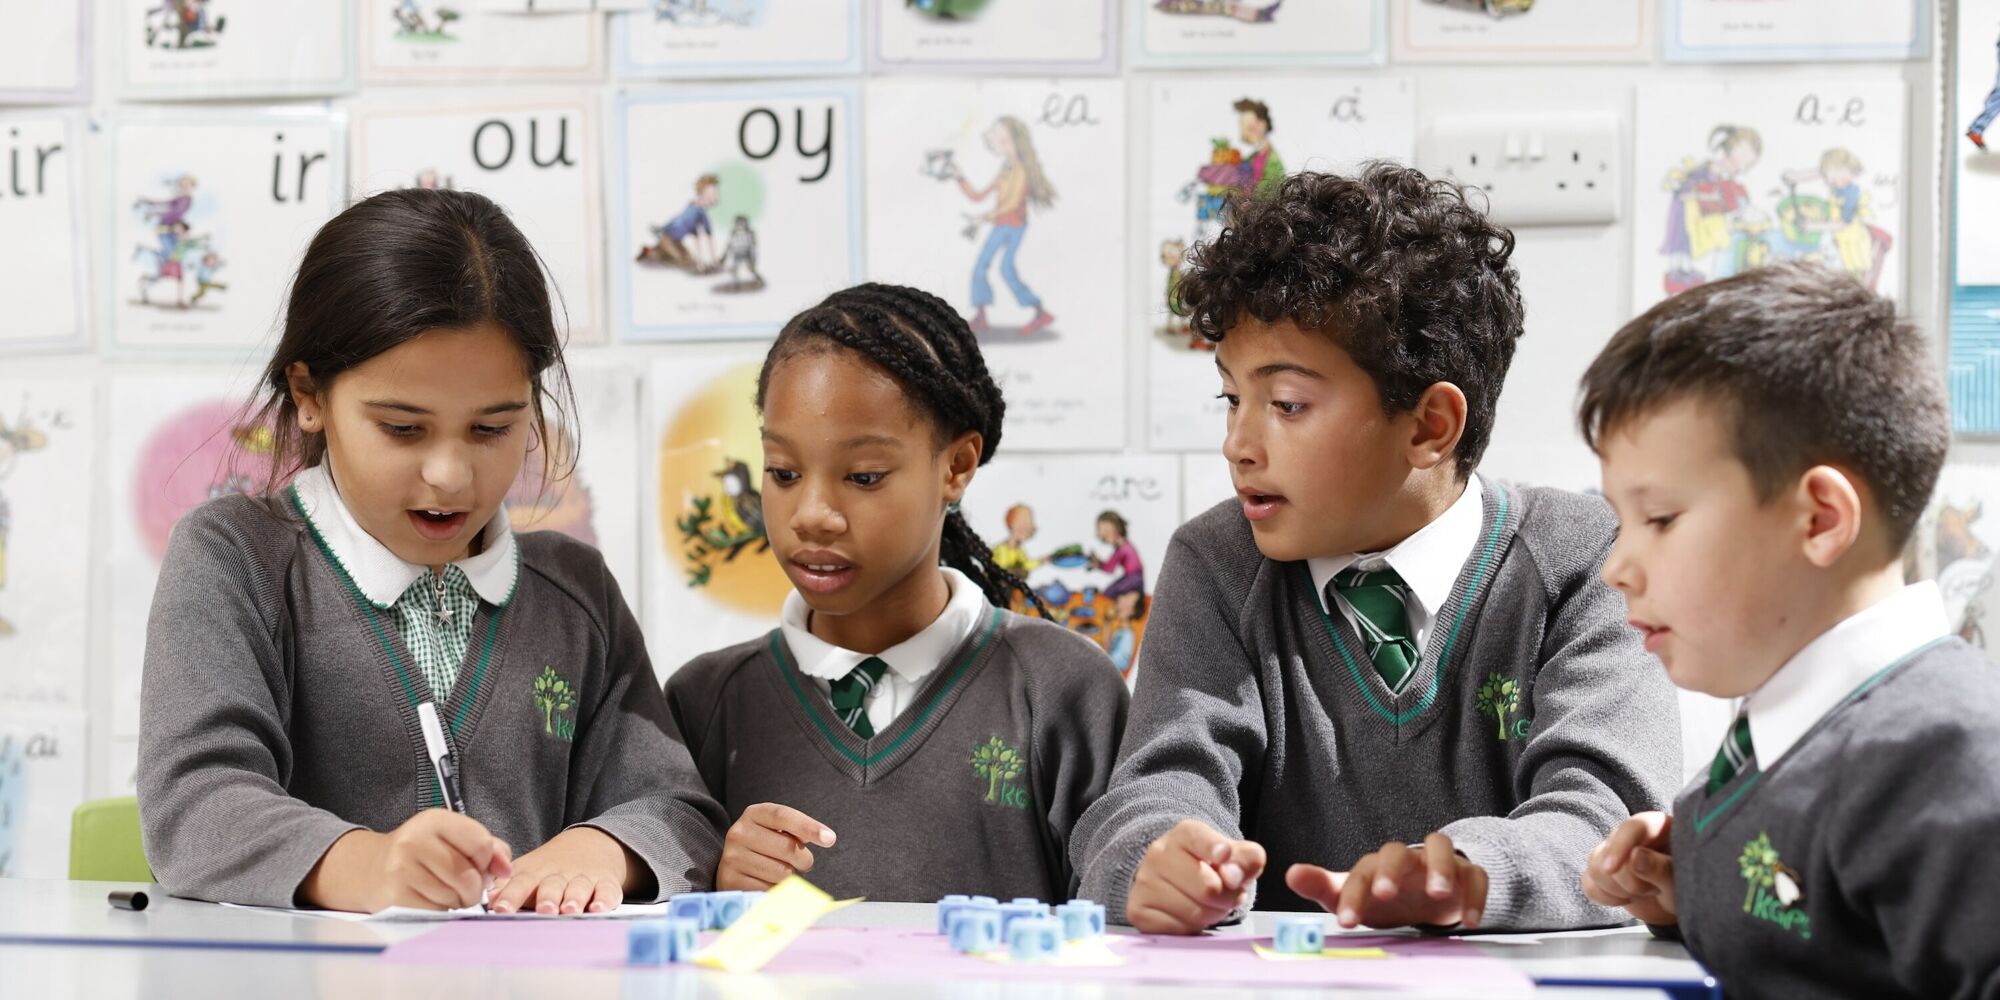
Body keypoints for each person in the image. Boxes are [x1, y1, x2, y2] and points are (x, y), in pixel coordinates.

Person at [1070, 164, 1680, 934]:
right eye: (1231, 397)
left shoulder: (1581, 558)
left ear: (1429, 426)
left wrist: (1468, 877)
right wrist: (1155, 855)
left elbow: (1609, 815)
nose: (1237, 444)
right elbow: (1160, 784)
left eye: (1287, 404)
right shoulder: (1218, 562)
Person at [137, 188, 726, 913]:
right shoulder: (236, 556)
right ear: (309, 394)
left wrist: (602, 848)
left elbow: (677, 809)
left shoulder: (576, 591)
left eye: (490, 430)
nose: (450, 474)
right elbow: (196, 804)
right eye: (403, 429)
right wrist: (368, 867)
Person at [1578, 261, 2000, 999]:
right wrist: (1690, 892)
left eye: (1660, 520)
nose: (1617, 567)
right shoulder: (1783, 740)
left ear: (1820, 520)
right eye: (1619, 523)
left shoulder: (1947, 756)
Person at [667, 283, 1127, 902]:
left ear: (957, 466)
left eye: (863, 476)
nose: (814, 515)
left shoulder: (1066, 692)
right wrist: (709, 884)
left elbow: (1123, 934)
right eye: (782, 473)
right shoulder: (704, 704)